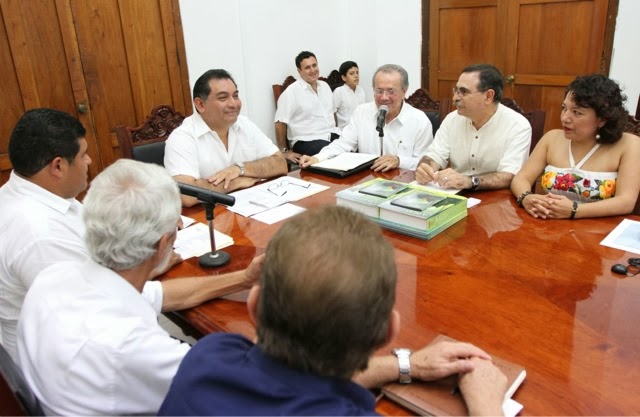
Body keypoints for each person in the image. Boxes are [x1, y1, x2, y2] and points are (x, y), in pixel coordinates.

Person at [159, 206, 507, 416]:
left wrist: (407, 365)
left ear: (253, 307)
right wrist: (488, 407)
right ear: (388, 331)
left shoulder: (207, 356)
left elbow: (305, 377)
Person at [0, 108, 259, 363]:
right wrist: (147, 264)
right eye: (83, 155)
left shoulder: (41, 199)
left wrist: (245, 278)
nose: (89, 162)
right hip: (84, 364)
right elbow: (102, 313)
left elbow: (117, 287)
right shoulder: (39, 235)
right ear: (57, 166)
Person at [16, 159, 263, 415]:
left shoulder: (56, 276)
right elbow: (246, 385)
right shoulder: (132, 349)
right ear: (163, 243)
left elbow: (161, 294)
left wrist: (245, 277)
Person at [511, 74, 640, 219]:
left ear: (602, 119)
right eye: (564, 108)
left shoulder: (628, 145)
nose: (565, 118)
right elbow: (521, 178)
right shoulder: (552, 138)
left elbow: (626, 202)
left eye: (577, 113)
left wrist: (574, 210)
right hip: (547, 226)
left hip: (598, 231)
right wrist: (526, 198)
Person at [165, 69, 287, 207]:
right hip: (209, 216)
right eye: (223, 98)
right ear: (200, 104)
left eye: (235, 96)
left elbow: (280, 163)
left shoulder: (244, 124)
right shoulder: (182, 137)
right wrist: (235, 182)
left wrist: (240, 169)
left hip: (251, 207)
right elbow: (186, 194)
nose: (233, 104)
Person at [415, 64, 532, 191]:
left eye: (463, 92)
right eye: (456, 91)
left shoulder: (518, 126)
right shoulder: (452, 119)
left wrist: (470, 181)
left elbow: (509, 176)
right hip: (454, 194)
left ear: (488, 96)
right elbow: (434, 155)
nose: (455, 98)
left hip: (496, 199)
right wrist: (425, 168)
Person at [299, 64, 433, 172]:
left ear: (404, 91)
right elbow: (344, 143)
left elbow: (426, 163)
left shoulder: (419, 121)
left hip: (404, 183)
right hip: (367, 181)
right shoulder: (362, 112)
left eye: (391, 91)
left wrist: (399, 161)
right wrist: (317, 158)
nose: (384, 97)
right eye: (379, 91)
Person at [275, 51, 340, 164]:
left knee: (355, 143)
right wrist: (284, 151)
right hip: (306, 140)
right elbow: (279, 123)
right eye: (307, 67)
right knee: (332, 153)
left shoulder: (325, 87)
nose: (313, 70)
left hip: (331, 134)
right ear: (299, 71)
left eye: (314, 65)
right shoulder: (291, 92)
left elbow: (332, 113)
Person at [333, 60, 366, 129]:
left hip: (360, 128)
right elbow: (332, 112)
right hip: (344, 130)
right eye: (352, 73)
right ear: (344, 78)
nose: (356, 76)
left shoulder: (361, 90)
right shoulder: (339, 92)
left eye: (357, 73)